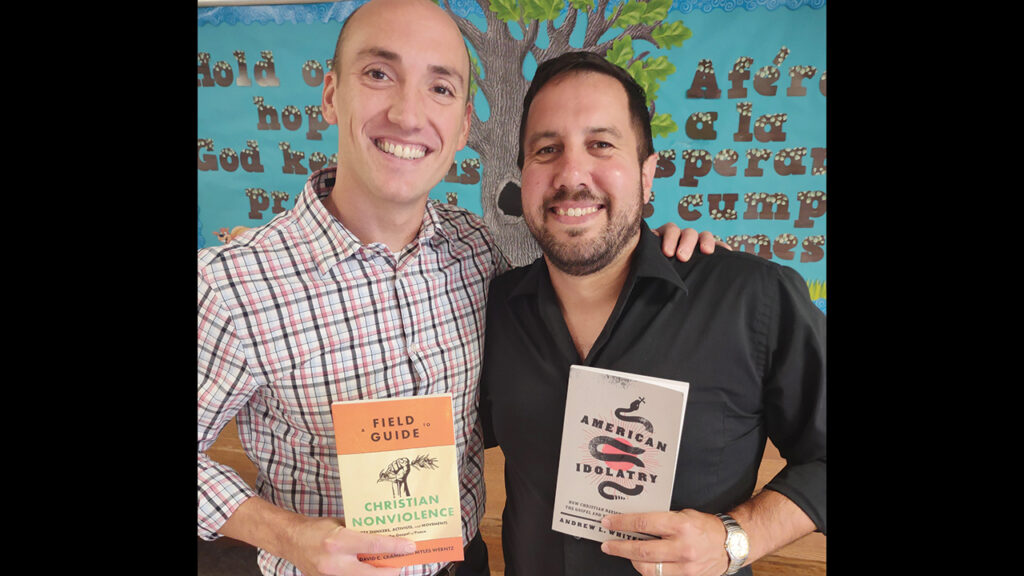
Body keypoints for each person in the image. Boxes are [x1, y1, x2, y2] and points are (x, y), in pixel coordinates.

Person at [197, 2, 717, 576]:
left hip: (467, 562)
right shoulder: (229, 283)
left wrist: (644, 248)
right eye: (378, 74)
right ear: (330, 94)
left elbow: (564, 300)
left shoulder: (473, 248)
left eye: (440, 88)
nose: (407, 113)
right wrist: (290, 536)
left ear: (465, 124)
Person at [479, 51, 826, 576]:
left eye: (601, 144)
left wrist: (737, 537)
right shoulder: (495, 309)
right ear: (523, 175)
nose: (571, 174)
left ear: (647, 174)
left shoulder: (752, 297)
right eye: (546, 149)